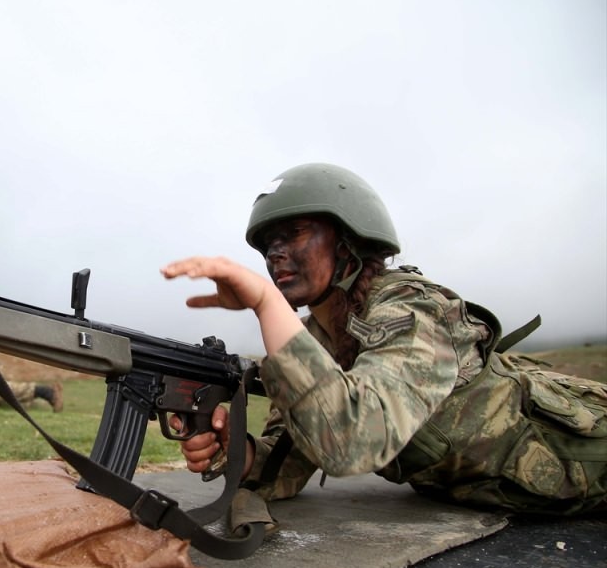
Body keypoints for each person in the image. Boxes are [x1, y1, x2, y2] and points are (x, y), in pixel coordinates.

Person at [162, 162, 606, 518]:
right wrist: (236, 451)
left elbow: (354, 441)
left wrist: (265, 303)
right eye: (268, 244)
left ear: (348, 240)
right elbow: (291, 459)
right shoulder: (315, 339)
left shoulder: (413, 308)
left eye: (294, 233)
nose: (275, 253)